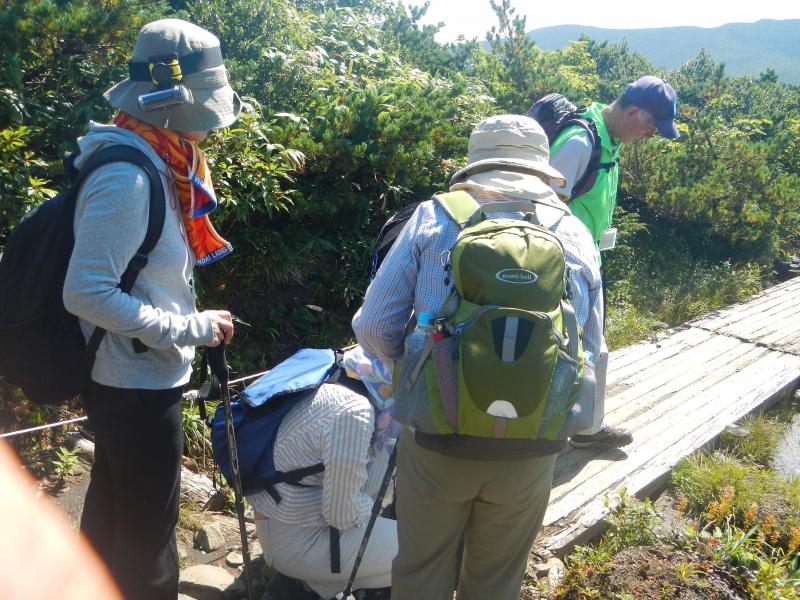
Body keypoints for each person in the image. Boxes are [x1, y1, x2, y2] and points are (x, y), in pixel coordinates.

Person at [352, 115, 605, 600]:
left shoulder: (433, 217)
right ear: (541, 167)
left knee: (421, 570)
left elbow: (372, 325)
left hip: (436, 437)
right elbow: (591, 347)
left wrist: (413, 370)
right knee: (495, 582)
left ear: (476, 163)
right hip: (534, 442)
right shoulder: (573, 232)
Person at [62, 19, 240, 600]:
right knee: (148, 544)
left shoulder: (154, 156)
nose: (208, 130)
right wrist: (192, 327)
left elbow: (137, 275)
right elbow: (87, 292)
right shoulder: (129, 175)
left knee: (113, 518)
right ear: (173, 102)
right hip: (134, 381)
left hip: (129, 374)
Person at [546, 75, 679, 450]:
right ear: (633, 112)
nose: (650, 136)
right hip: (562, 265)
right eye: (651, 128)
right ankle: (568, 430)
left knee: (587, 346)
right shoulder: (578, 142)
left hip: (585, 262)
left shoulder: (608, 140)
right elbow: (541, 207)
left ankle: (583, 425)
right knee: (579, 347)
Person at [248, 359, 397, 600]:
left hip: (283, 523)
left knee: (399, 541)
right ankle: (304, 586)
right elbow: (341, 515)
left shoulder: (343, 374)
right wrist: (371, 505)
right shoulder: (355, 413)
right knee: (424, 552)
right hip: (295, 541)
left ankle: (319, 586)